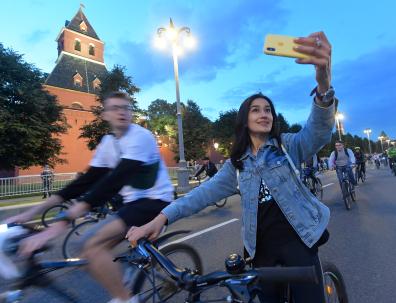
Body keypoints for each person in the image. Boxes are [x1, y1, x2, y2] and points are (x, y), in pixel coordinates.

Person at [127, 31, 335, 303]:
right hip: (260, 251)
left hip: (300, 240)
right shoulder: (236, 166)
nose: (264, 114)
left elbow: (318, 131)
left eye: (268, 110)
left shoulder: (287, 146)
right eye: (256, 110)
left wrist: (323, 87)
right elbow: (198, 197)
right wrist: (158, 220)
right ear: (244, 120)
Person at [5, 91, 174, 303]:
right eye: (115, 108)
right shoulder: (107, 143)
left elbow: (113, 182)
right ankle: (123, 287)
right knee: (85, 248)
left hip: (156, 201)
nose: (122, 112)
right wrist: (29, 213)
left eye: (126, 108)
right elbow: (84, 183)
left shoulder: (140, 137)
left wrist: (60, 224)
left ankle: (125, 299)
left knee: (93, 246)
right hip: (132, 203)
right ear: (105, 115)